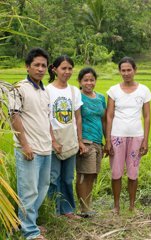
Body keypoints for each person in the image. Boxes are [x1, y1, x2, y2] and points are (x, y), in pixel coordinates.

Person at [9, 48, 51, 240]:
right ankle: (30, 232)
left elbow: (46, 119)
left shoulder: (44, 91)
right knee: (28, 190)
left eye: (43, 65)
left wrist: (52, 142)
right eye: (36, 65)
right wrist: (25, 145)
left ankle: (29, 223)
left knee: (41, 187)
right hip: (29, 148)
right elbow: (14, 116)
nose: (40, 69)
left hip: (45, 148)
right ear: (27, 67)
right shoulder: (19, 88)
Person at [106, 57, 151, 214]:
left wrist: (145, 140)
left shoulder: (144, 90)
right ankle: (116, 206)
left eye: (129, 70)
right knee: (116, 172)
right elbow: (109, 116)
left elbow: (147, 116)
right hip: (117, 136)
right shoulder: (113, 91)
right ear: (120, 71)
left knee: (133, 172)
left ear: (135, 70)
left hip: (136, 137)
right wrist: (108, 140)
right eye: (123, 70)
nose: (126, 73)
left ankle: (132, 206)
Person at [47, 55, 86, 219]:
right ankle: (53, 212)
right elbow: (45, 117)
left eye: (70, 68)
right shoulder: (47, 90)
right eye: (63, 68)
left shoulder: (74, 91)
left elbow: (77, 117)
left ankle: (68, 209)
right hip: (53, 139)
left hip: (70, 139)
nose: (67, 72)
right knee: (53, 178)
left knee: (68, 177)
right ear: (54, 69)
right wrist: (53, 141)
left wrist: (80, 140)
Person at [76, 67, 107, 217]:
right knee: (83, 173)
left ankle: (88, 205)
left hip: (97, 141)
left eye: (92, 80)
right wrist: (79, 141)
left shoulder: (101, 98)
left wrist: (107, 141)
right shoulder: (78, 97)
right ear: (80, 82)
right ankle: (84, 209)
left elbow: (104, 119)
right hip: (85, 141)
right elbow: (76, 119)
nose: (89, 83)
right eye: (85, 80)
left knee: (92, 174)